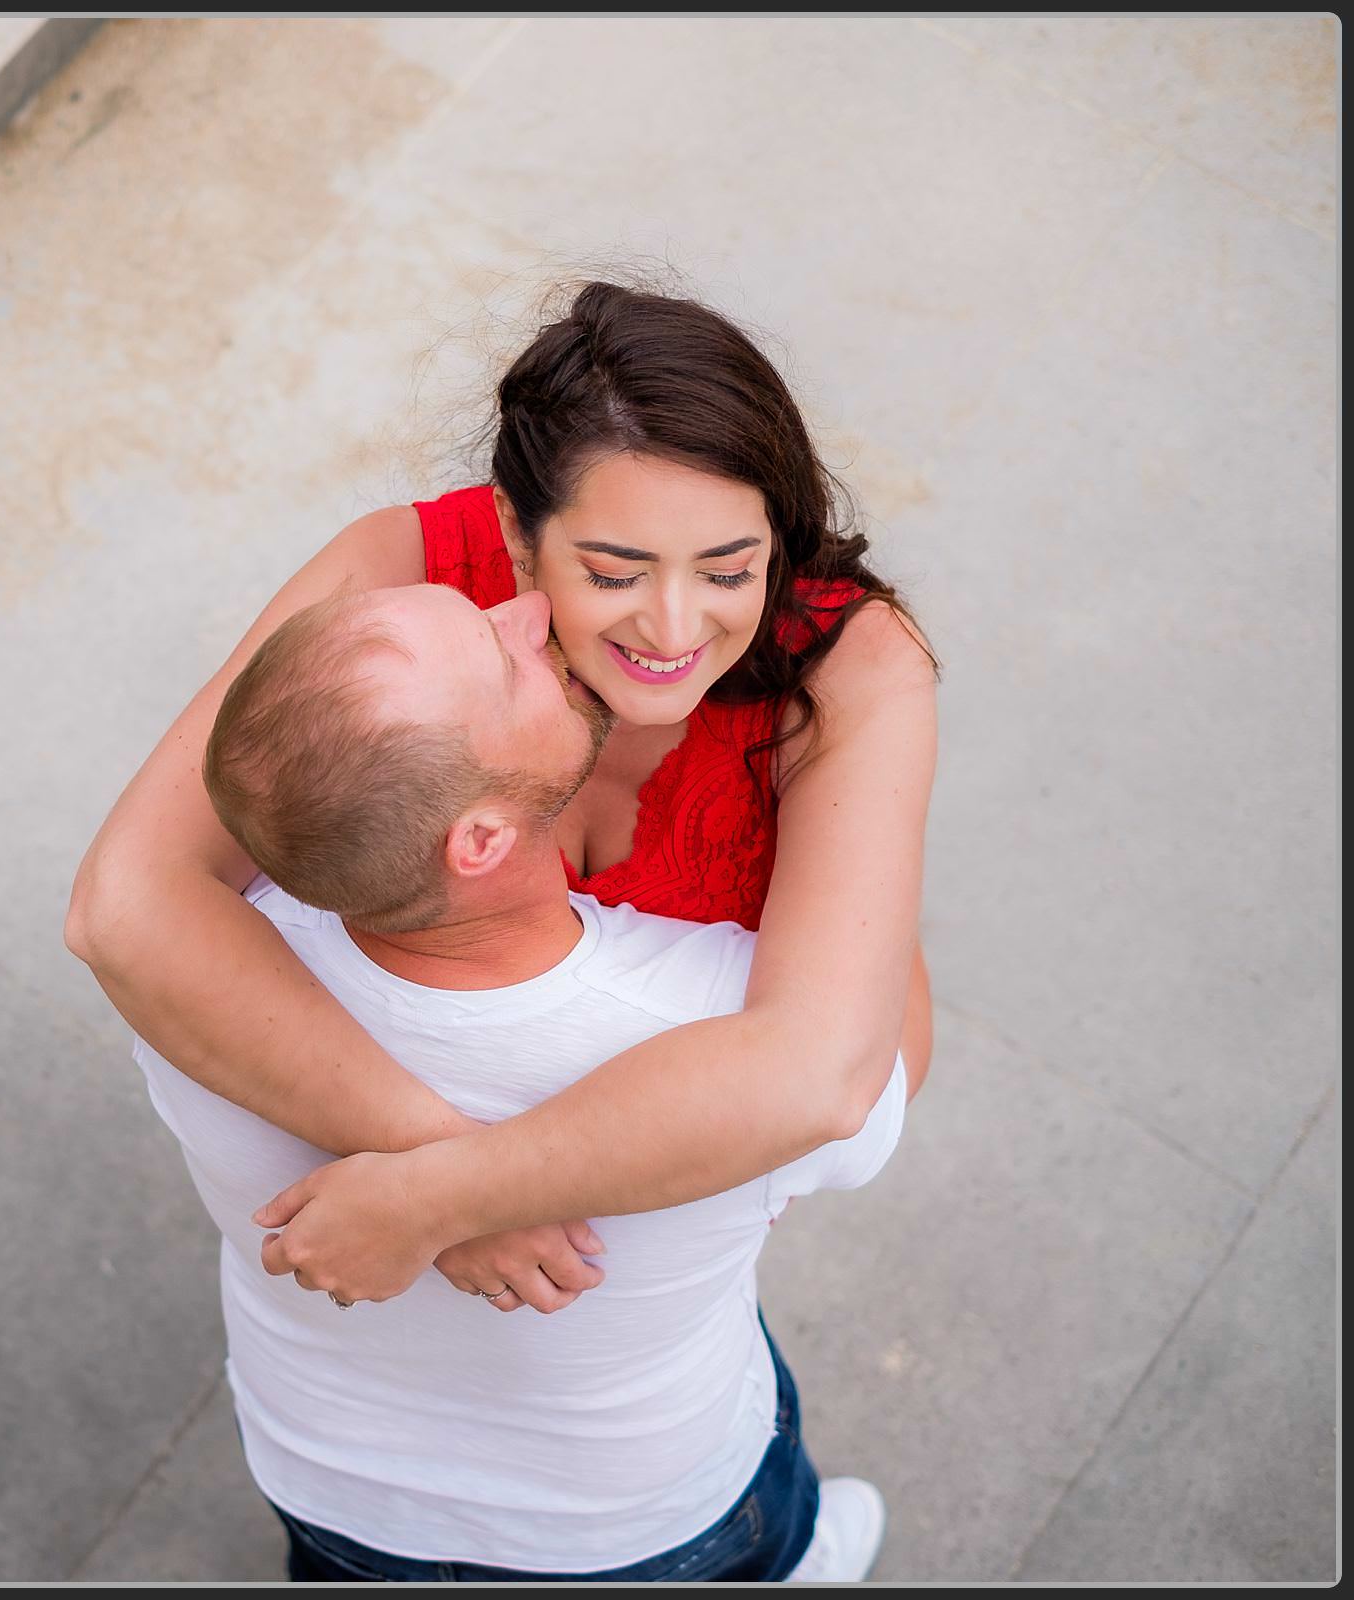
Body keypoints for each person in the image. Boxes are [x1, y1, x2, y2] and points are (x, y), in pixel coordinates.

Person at [65, 277, 939, 1319]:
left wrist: (442, 1197)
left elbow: (837, 1073)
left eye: (727, 569)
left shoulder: (854, 663)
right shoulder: (400, 570)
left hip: (659, 1266)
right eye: (614, 571)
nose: (671, 629)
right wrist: (428, 1153)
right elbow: (123, 902)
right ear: (519, 539)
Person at [130, 578, 922, 1580]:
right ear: (481, 840)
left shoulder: (192, 984)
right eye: (505, 662)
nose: (533, 611)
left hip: (331, 1478)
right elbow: (881, 1062)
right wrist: (863, 801)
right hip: (638, 1519)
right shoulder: (721, 1016)